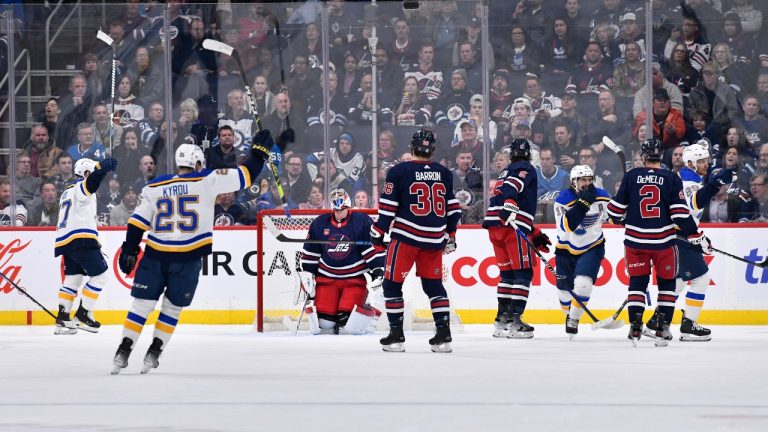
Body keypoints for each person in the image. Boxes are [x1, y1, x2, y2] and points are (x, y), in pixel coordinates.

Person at [112, 128, 281, 374]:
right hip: (188, 257)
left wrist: (130, 248)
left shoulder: (155, 186)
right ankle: (154, 352)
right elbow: (246, 175)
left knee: (141, 306)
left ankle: (123, 350)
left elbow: (137, 222)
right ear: (198, 162)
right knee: (172, 308)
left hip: (156, 254)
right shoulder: (208, 179)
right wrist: (259, 152)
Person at [607, 138, 707, 345]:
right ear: (661, 156)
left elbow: (613, 211)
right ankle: (662, 329)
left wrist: (624, 219)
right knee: (667, 285)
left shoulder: (631, 176)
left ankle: (635, 326)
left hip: (635, 242)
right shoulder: (671, 177)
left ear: (643, 156)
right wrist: (694, 234)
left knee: (637, 284)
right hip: (663, 243)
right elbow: (680, 214)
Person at [371, 129, 461, 353]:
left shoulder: (399, 171)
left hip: (406, 238)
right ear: (432, 149)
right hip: (434, 239)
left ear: (412, 147)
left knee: (392, 285)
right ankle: (443, 335)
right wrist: (451, 235)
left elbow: (389, 207)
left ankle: (396, 336)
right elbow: (453, 209)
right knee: (433, 285)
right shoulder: (444, 172)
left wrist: (378, 231)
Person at [652, 143, 734, 342]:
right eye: (701, 161)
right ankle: (688, 326)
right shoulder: (687, 179)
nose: (705, 164)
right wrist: (714, 185)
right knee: (701, 279)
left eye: (706, 160)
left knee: (678, 282)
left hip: (677, 236)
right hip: (680, 237)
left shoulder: (691, 176)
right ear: (690, 163)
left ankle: (657, 320)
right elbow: (693, 203)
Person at [483, 138, 551, 339]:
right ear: (530, 154)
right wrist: (511, 203)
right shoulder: (526, 168)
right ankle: (515, 322)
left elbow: (509, 189)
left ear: (510, 154)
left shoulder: (507, 169)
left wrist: (534, 232)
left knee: (508, 275)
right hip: (510, 226)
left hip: (495, 225)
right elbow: (514, 187)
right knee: (523, 273)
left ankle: (501, 321)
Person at [298, 189, 385, 335]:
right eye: (336, 210)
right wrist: (308, 274)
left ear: (348, 206)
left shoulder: (361, 221)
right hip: (327, 279)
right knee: (325, 325)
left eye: (343, 209)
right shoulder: (319, 223)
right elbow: (311, 252)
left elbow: (370, 249)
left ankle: (369, 310)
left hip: (353, 280)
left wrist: (377, 271)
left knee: (348, 324)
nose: (339, 213)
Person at [53, 156, 118, 335]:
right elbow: (91, 182)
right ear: (87, 173)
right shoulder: (81, 187)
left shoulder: (68, 191)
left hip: (66, 241)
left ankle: (63, 319)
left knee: (72, 280)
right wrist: (102, 169)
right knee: (101, 276)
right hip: (81, 239)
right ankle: (83, 314)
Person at [554, 165, 611, 337]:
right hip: (565, 248)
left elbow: (613, 217)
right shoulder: (563, 199)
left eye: (589, 179)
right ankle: (568, 314)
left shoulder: (602, 196)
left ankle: (573, 319)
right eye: (582, 180)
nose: (587, 183)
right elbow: (567, 227)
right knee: (564, 292)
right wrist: (583, 204)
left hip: (593, 246)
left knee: (583, 285)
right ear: (574, 182)